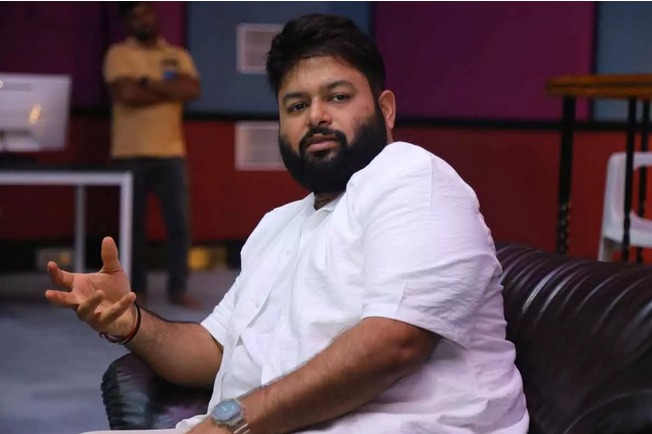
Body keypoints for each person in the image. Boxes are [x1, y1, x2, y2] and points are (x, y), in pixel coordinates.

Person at [47, 13, 529, 434]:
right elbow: (214, 350)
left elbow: (396, 343)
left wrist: (231, 423)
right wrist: (131, 322)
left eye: (337, 97)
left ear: (385, 110)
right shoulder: (278, 225)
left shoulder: (410, 176)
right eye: (296, 106)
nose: (316, 116)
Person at [103, 1, 201, 308]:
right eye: (135, 17)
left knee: (179, 225)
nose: (143, 20)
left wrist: (145, 83)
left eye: (146, 13)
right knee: (132, 227)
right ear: (128, 23)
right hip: (129, 153)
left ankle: (178, 288)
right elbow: (126, 94)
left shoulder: (177, 54)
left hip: (171, 152)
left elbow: (191, 90)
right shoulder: (119, 54)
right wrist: (168, 87)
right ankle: (136, 289)